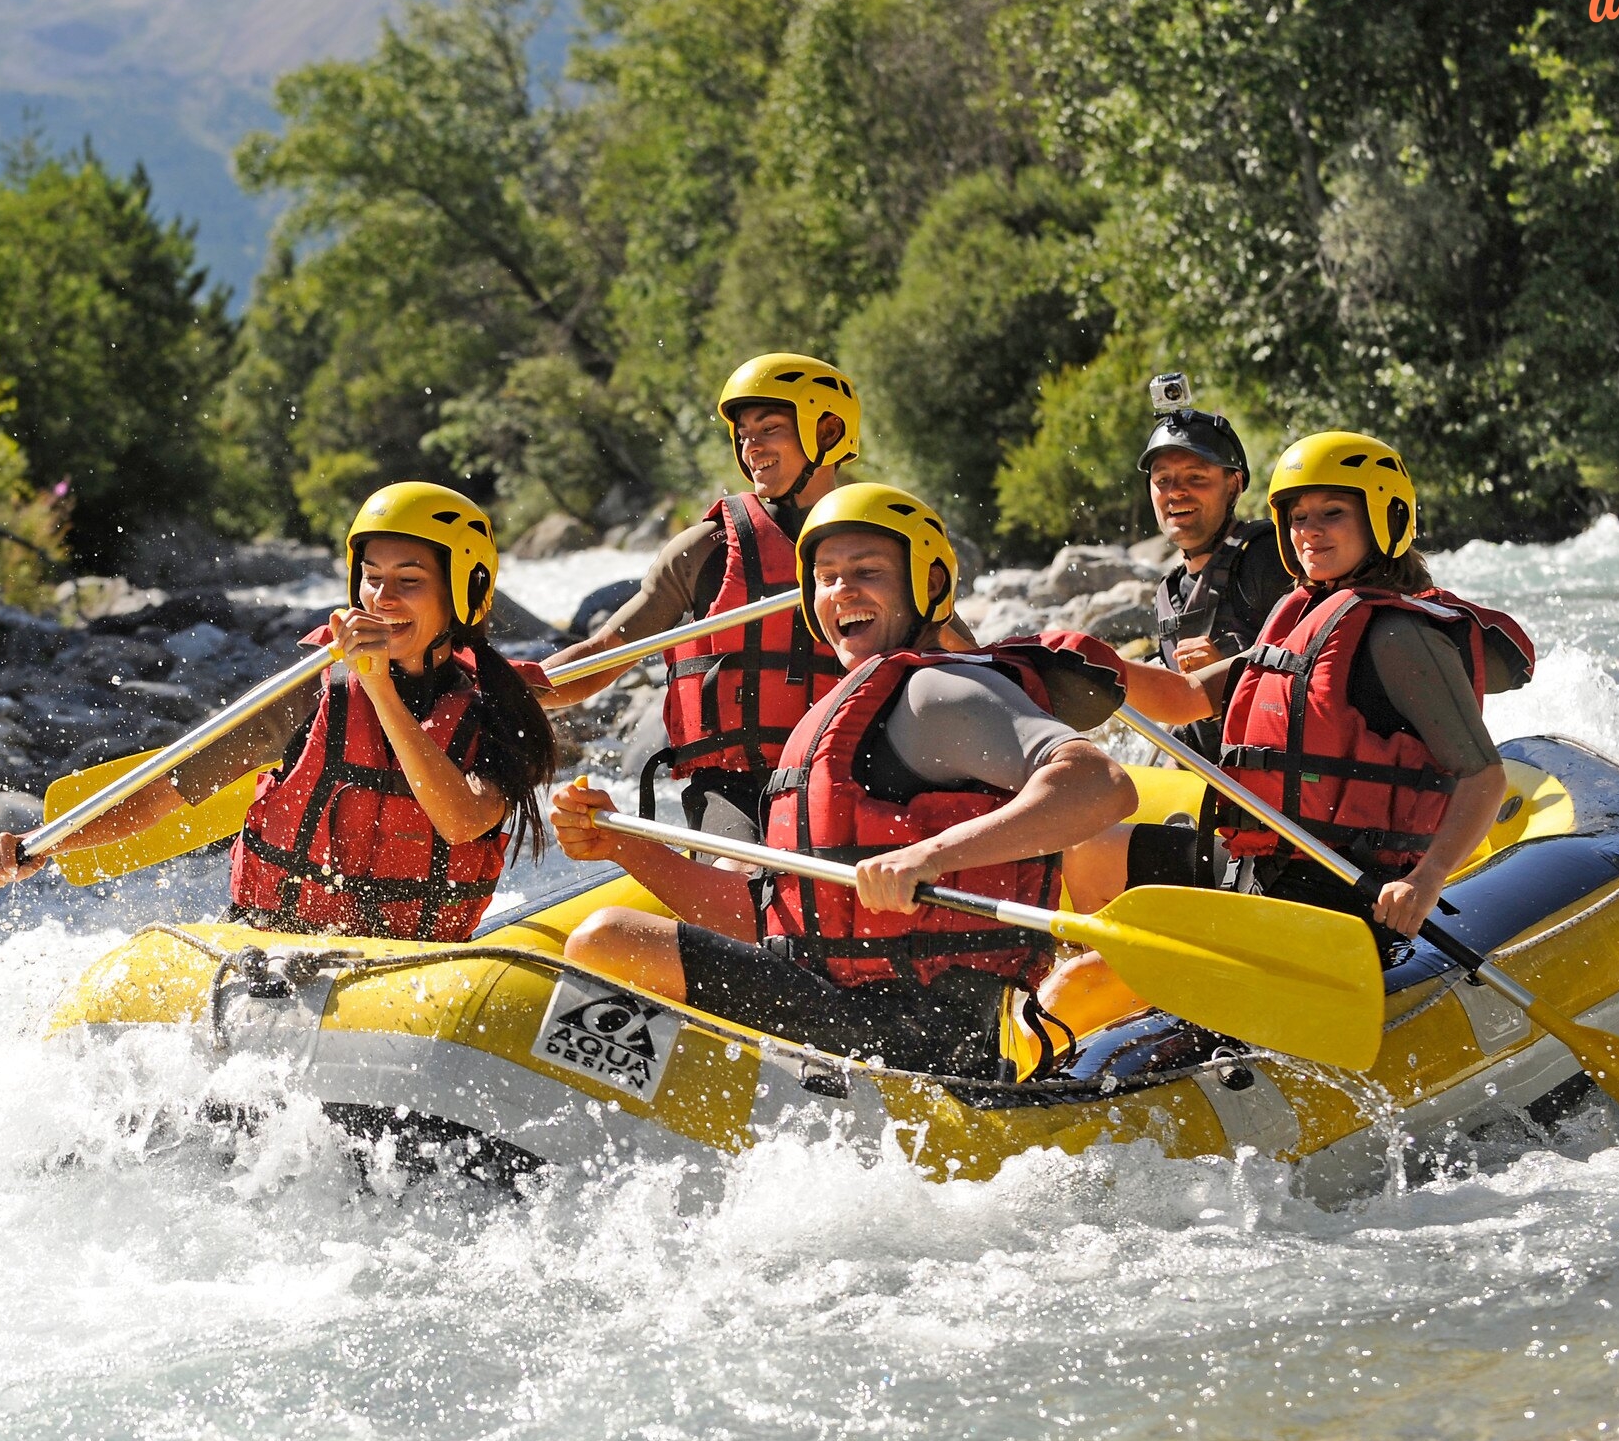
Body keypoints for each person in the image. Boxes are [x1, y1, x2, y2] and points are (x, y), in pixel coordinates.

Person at [549, 485, 1140, 1079]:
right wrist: (625, 847)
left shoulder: (939, 691)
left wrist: (929, 857)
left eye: (868, 572)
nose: (841, 592)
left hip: (920, 1037)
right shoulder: (846, 710)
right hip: (840, 1009)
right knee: (612, 940)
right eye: (826, 577)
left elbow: (1100, 782)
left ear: (929, 585)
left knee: (606, 938)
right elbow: (768, 921)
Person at [0, 483, 558, 943]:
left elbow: (462, 821)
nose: (383, 598)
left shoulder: (499, 712)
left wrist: (379, 689)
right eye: (372, 580)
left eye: (410, 581)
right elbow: (158, 797)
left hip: (416, 968)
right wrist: (39, 848)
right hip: (283, 950)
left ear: (463, 591)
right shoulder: (308, 693)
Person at [1063, 431, 1533, 1005]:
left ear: (1384, 517)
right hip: (1260, 869)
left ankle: (1155, 1024)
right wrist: (1075, 662)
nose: (1309, 531)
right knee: (1087, 854)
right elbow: (1184, 696)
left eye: (1332, 514)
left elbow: (1484, 777)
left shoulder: (1400, 637)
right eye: (1298, 516)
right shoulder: (1302, 618)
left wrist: (1425, 880)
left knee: (1079, 987)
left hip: (1337, 897)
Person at [539, 353, 974, 844]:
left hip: (852, 777)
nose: (751, 447)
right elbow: (600, 656)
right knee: (740, 871)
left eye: (768, 429)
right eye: (743, 434)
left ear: (827, 431)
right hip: (733, 788)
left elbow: (965, 660)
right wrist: (502, 688)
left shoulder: (886, 546)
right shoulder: (705, 550)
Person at [1137, 372, 1289, 758]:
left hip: (1274, 780)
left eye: (1196, 477)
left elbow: (1319, 675)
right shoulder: (1168, 593)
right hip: (1213, 777)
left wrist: (1229, 670)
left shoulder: (1268, 556)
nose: (1176, 492)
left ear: (1234, 485)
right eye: (1163, 480)